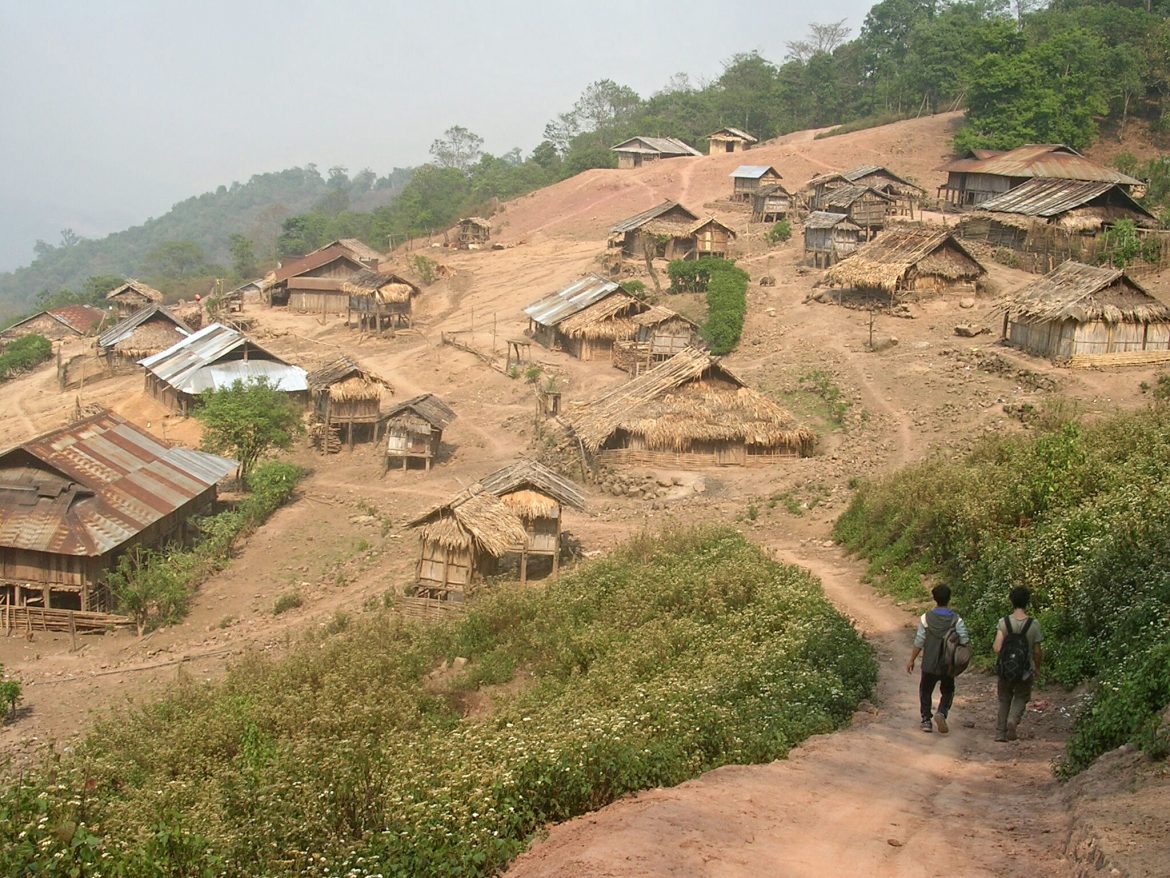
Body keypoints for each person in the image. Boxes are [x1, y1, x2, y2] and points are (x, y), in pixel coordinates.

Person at [906, 584, 969, 734]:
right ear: (949, 598)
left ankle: (926, 720)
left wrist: (911, 659)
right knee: (948, 690)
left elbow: (919, 641)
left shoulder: (925, 618)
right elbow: (965, 639)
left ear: (934, 598)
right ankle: (941, 712)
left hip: (929, 662)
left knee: (925, 690)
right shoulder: (956, 620)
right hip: (948, 663)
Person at [992, 586, 1043, 742]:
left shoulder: (1004, 622)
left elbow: (997, 647)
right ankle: (1012, 720)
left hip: (1005, 669)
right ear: (1027, 602)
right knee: (1021, 696)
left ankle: (1000, 733)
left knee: (1004, 698)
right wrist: (1037, 668)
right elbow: (1037, 651)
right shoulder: (1034, 625)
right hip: (1025, 670)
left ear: (1011, 601)